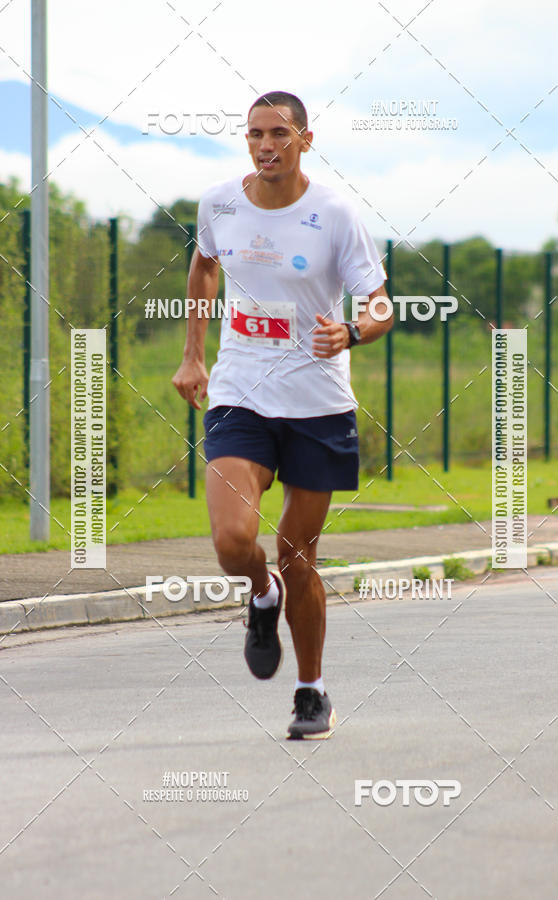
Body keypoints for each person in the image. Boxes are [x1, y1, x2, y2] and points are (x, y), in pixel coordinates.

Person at [172, 90, 392, 739]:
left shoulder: (335, 214)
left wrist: (352, 332)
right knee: (232, 541)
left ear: (305, 139)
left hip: (318, 404)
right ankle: (260, 592)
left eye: (278, 134)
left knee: (300, 553)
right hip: (241, 391)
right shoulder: (219, 203)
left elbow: (378, 304)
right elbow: (205, 265)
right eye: (254, 134)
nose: (265, 145)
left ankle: (311, 690)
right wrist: (193, 355)